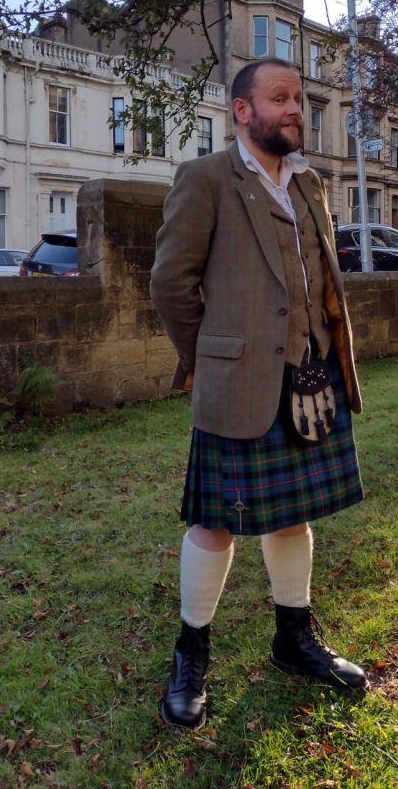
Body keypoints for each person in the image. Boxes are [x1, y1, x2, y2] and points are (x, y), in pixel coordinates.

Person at [150, 58, 367, 730]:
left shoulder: (311, 184)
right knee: (213, 523)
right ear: (242, 110)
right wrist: (209, 358)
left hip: (311, 375)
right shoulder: (207, 179)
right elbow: (170, 285)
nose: (294, 108)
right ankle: (192, 651)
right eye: (280, 98)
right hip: (237, 378)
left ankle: (293, 639)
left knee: (293, 515)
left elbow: (318, 280)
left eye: (297, 98)